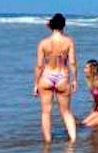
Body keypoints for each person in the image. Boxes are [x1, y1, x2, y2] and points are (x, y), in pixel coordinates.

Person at [33, 13, 78, 143]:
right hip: (62, 76)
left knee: (46, 112)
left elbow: (39, 66)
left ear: (51, 25)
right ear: (64, 25)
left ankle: (47, 142)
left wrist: (36, 83)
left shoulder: (43, 43)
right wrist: (74, 79)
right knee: (66, 112)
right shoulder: (69, 41)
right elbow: (73, 62)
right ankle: (73, 141)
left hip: (47, 76)